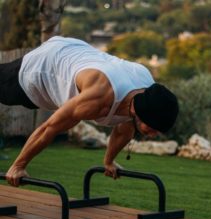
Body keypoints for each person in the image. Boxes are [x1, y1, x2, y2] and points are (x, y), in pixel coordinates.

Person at [0, 36, 179, 187]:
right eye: (153, 128)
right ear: (137, 110)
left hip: (76, 51)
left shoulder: (145, 90)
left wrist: (108, 161)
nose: (153, 135)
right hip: (44, 67)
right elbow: (50, 128)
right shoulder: (98, 97)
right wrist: (18, 165)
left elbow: (124, 130)